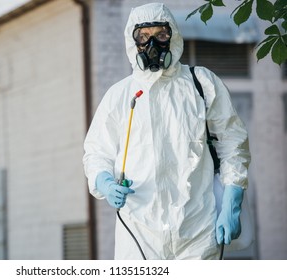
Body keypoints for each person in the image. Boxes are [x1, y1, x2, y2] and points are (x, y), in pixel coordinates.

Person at [82, 2, 251, 260]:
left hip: (197, 229)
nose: (152, 45)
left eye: (161, 35)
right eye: (143, 38)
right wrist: (104, 182)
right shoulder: (120, 95)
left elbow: (233, 143)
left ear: (173, 36)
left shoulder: (201, 84)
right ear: (133, 43)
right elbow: (95, 153)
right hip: (138, 232)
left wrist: (232, 200)